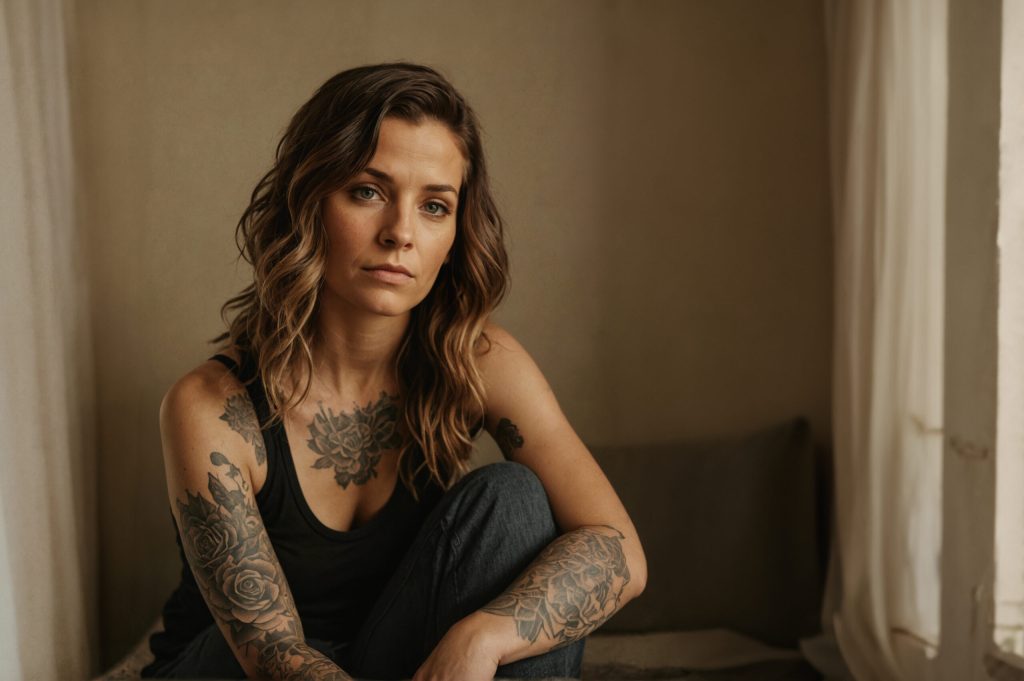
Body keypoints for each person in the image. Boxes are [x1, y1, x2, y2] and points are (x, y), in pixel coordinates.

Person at [141, 62, 646, 681]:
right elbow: (276, 659)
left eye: (435, 206)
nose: (401, 233)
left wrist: (481, 640)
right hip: (244, 672)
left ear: (457, 232)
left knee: (514, 501)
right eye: (368, 192)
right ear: (308, 202)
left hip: (400, 658)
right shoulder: (211, 407)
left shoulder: (478, 360)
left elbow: (619, 549)